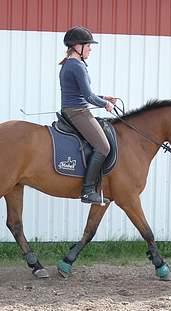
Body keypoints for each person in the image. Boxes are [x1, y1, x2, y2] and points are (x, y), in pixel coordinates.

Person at [59, 26, 116, 204]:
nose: (90, 49)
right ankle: (88, 190)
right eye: (88, 45)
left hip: (73, 109)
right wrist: (105, 104)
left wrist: (103, 97)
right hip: (78, 112)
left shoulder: (71, 63)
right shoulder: (76, 66)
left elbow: (81, 93)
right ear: (78, 46)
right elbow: (87, 96)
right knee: (104, 147)